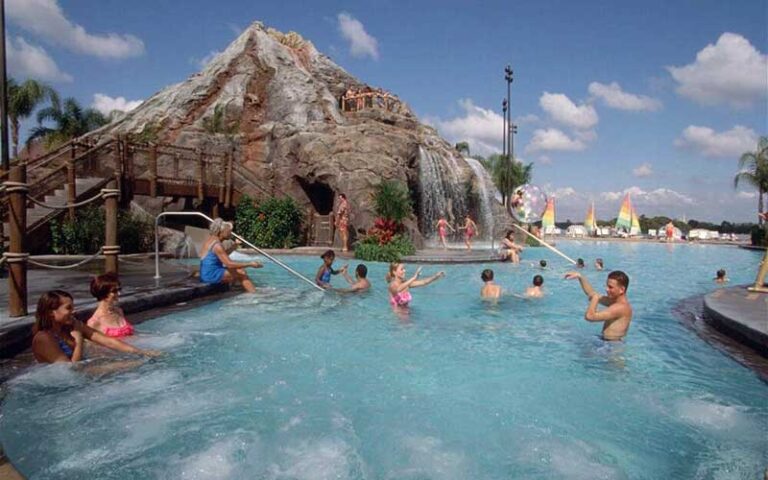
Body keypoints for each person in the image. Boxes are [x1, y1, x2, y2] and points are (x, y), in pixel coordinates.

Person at [32, 290, 158, 364]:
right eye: (68, 308)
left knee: (141, 362)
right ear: (51, 312)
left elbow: (108, 341)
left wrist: (140, 352)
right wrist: (79, 340)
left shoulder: (72, 326)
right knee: (132, 365)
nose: (74, 311)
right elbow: (69, 371)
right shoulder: (44, 338)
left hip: (82, 372)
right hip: (62, 387)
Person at [564, 270, 633, 341]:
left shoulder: (620, 308)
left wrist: (595, 297)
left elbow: (590, 317)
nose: (606, 289)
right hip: (606, 341)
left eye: (610, 287)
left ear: (621, 289)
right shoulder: (614, 302)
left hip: (611, 347)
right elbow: (591, 293)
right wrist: (580, 277)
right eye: (607, 286)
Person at [200, 219, 262, 293]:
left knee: (237, 271)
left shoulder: (212, 241)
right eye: (228, 231)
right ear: (221, 232)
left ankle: (241, 290)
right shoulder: (217, 245)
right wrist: (250, 264)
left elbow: (222, 254)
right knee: (241, 272)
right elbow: (229, 264)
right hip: (211, 275)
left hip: (207, 273)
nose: (230, 233)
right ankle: (254, 295)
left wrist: (235, 244)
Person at [86, 273, 134, 338]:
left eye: (119, 289)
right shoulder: (94, 323)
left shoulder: (119, 311)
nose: (119, 293)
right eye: (114, 291)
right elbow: (93, 346)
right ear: (103, 293)